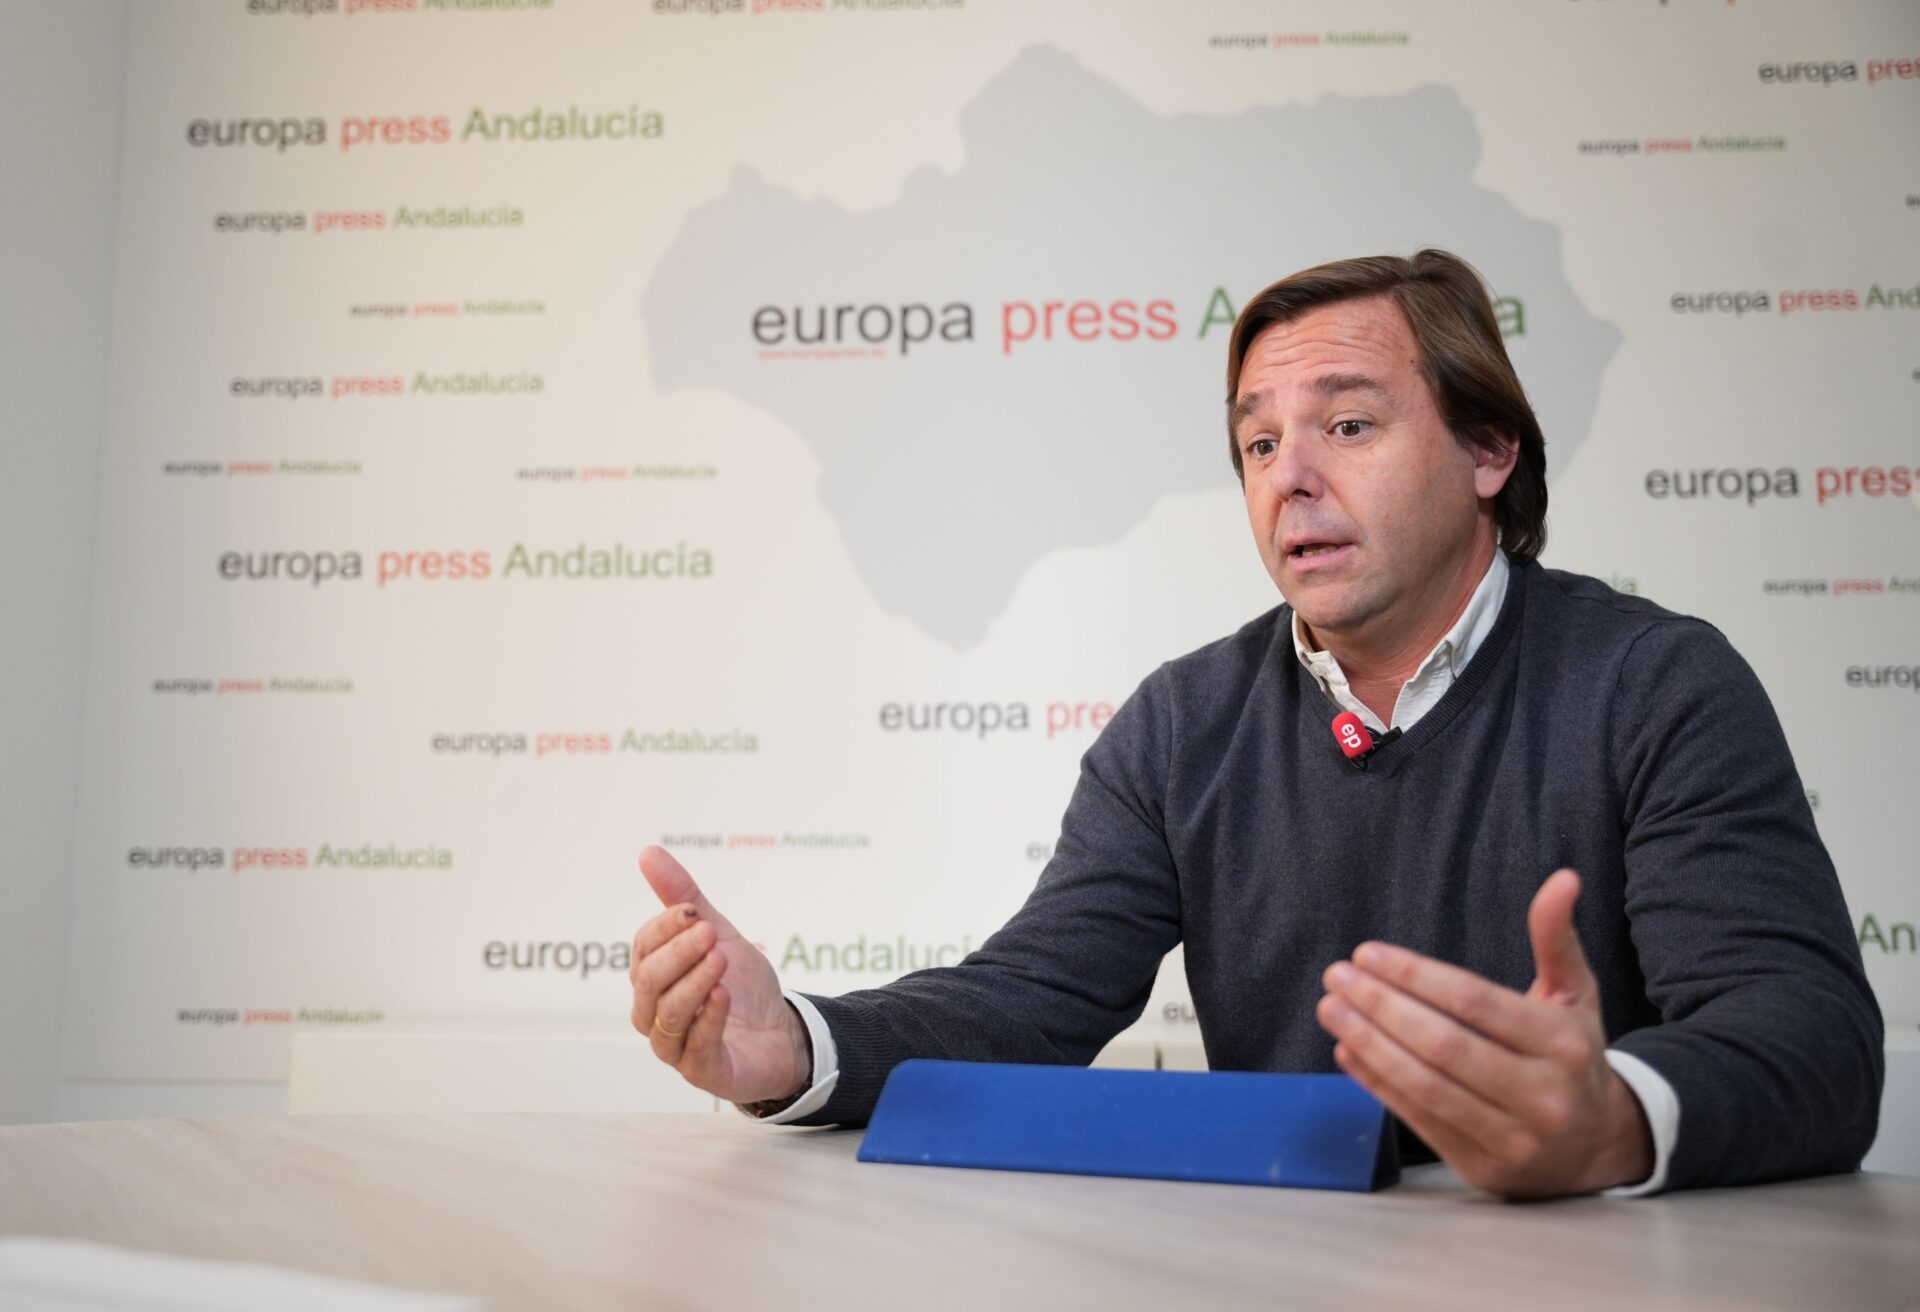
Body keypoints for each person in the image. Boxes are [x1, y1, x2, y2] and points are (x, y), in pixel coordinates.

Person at [626, 250, 1883, 1198]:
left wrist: (1612, 1116)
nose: (1291, 477)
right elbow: (1027, 1001)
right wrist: (794, 1044)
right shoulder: (1186, 722)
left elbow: (1810, 1034)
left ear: (1489, 450)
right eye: (1259, 441)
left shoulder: (1658, 684)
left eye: (1348, 425)